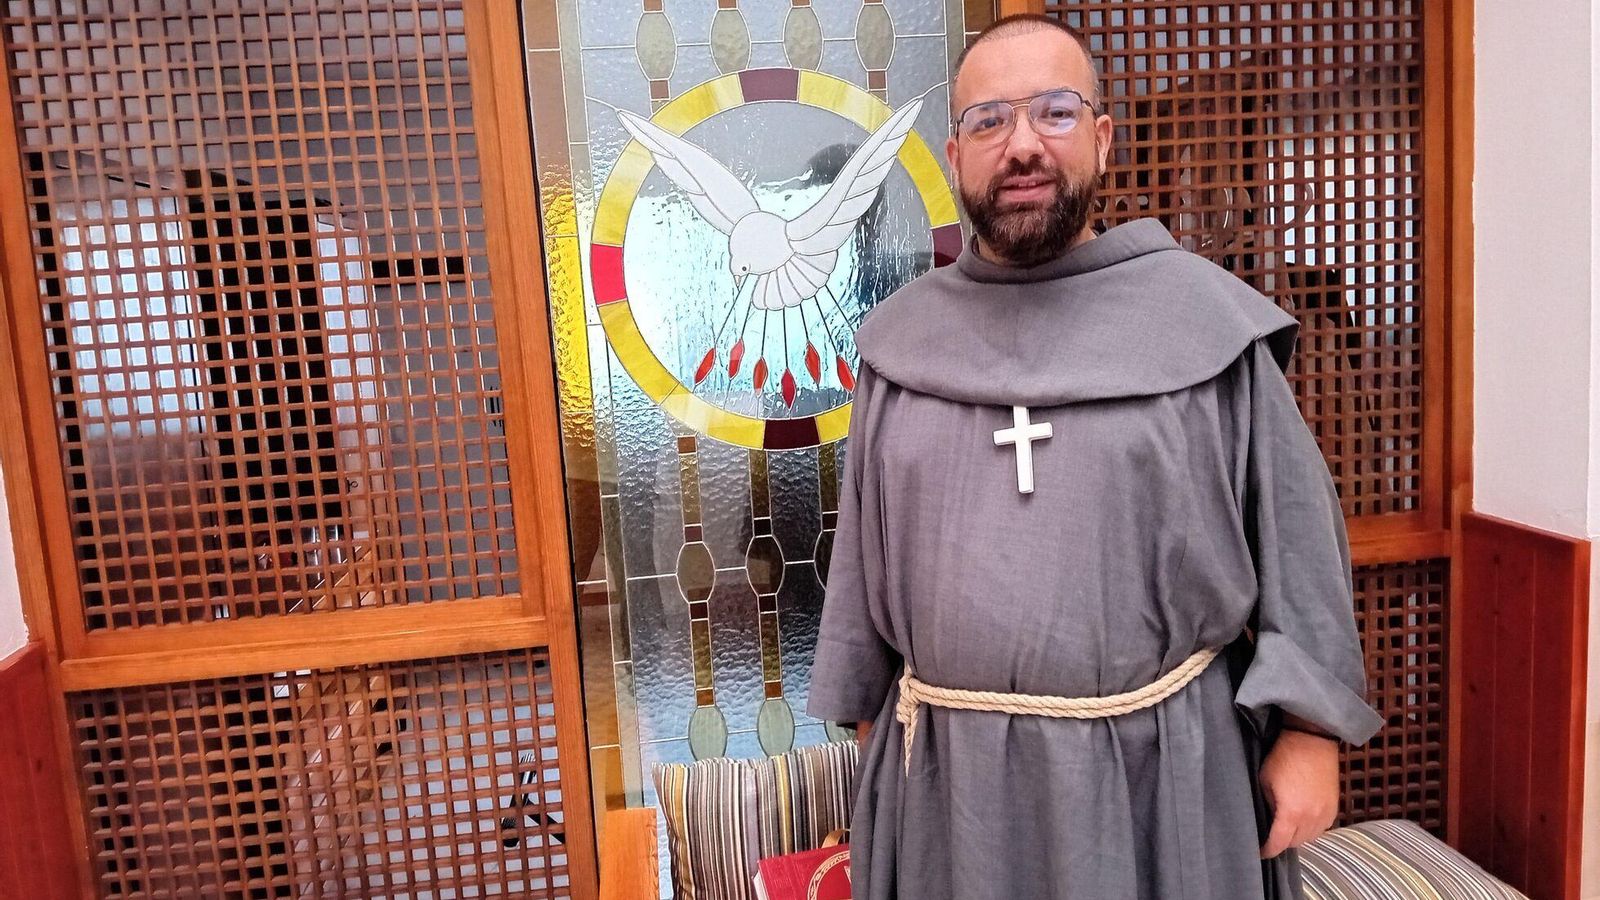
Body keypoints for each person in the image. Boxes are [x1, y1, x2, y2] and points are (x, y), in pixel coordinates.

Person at [805, 13, 1382, 900]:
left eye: (1056, 112)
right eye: (990, 121)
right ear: (954, 154)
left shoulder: (1205, 323)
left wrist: (1309, 735)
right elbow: (861, 575)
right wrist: (872, 728)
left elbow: (1298, 540)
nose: (1023, 145)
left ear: (1103, 139)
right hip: (955, 789)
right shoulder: (899, 346)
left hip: (1167, 779)